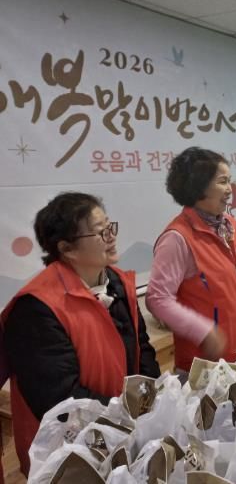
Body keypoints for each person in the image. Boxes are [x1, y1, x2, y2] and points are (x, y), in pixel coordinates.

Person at [0, 192, 160, 476]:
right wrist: (126, 415)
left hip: (122, 431)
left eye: (110, 227)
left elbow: (141, 348)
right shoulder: (36, 308)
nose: (111, 237)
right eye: (100, 232)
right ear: (67, 248)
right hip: (69, 450)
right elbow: (60, 400)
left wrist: (150, 401)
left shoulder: (117, 281)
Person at [146, 147, 236, 376]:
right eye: (222, 182)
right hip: (209, 368)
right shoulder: (177, 237)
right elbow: (157, 299)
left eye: (229, 180)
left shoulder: (229, 224)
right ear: (198, 186)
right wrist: (202, 330)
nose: (230, 189)